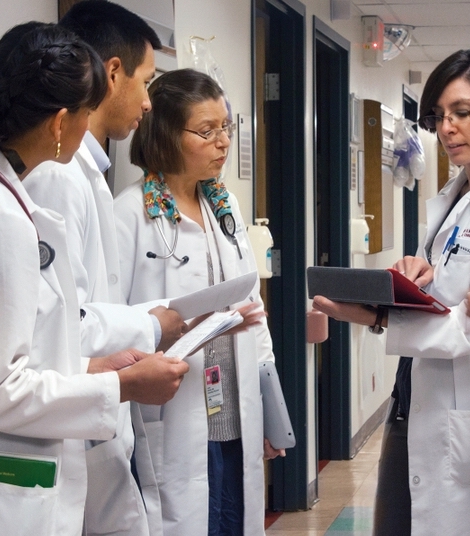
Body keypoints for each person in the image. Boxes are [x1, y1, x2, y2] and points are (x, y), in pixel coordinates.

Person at [313, 48, 470, 535]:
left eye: (462, 112)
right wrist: (420, 272)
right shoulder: (459, 194)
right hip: (421, 394)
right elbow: (455, 288)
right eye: (439, 116)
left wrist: (379, 317)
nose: (448, 128)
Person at [0, 22, 188, 536]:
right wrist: (118, 384)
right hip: (20, 469)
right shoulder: (9, 217)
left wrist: (94, 365)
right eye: (85, 114)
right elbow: (2, 387)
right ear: (60, 123)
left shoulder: (12, 199)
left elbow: (36, 338)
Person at [114, 68, 284, 536]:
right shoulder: (131, 213)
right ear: (166, 133)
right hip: (174, 415)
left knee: (233, 519)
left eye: (225, 127)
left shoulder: (223, 205)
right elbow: (104, 319)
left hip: (234, 411)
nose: (222, 142)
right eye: (206, 131)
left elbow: (253, 306)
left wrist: (273, 408)